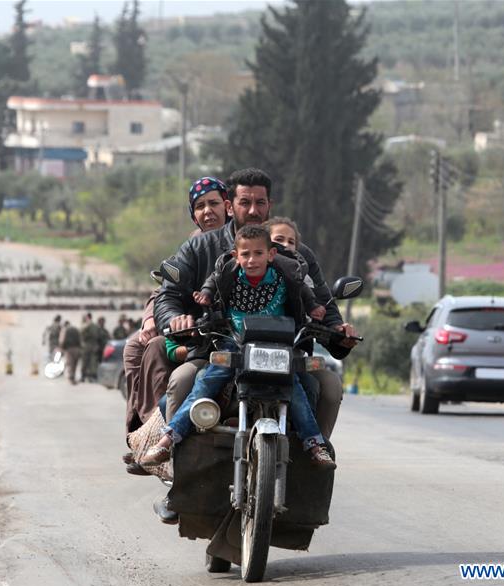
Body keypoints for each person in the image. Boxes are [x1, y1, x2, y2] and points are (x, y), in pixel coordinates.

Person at [153, 167, 358, 443]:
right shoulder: (199, 247)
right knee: (181, 382)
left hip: (286, 353)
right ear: (229, 206)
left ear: (269, 205)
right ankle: (174, 451)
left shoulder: (297, 255)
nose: (253, 210)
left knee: (330, 387)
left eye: (260, 202)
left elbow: (321, 301)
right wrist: (176, 319)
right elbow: (168, 296)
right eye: (245, 202)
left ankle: (313, 453)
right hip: (216, 349)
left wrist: (338, 331)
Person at [141, 224, 335, 469]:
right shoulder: (227, 274)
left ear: (271, 254)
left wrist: (314, 308)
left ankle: (315, 445)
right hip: (234, 342)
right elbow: (212, 282)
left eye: (258, 253)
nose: (251, 260)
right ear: (236, 256)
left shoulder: (286, 274)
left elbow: (303, 290)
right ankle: (168, 439)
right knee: (207, 381)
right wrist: (206, 297)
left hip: (277, 345)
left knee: (295, 388)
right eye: (245, 254)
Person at [123, 176, 232, 436]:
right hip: (193, 329)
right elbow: (166, 289)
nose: (208, 211)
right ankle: (147, 430)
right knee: (137, 346)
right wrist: (155, 319)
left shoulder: (250, 243)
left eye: (213, 203)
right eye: (200, 206)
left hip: (231, 331)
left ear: (228, 206)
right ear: (194, 216)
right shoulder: (193, 245)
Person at [59, 319, 82, 385]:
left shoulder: (64, 330)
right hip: (77, 349)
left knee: (70, 363)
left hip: (69, 349)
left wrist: (61, 348)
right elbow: (80, 339)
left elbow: (62, 340)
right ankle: (73, 377)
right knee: (75, 364)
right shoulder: (76, 329)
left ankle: (71, 378)